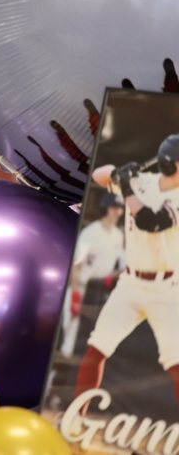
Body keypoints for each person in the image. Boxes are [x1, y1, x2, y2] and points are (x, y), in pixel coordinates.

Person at [75, 134, 179, 405]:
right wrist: (118, 172)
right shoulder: (141, 182)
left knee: (176, 364)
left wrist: (126, 186)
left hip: (167, 290)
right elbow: (97, 176)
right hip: (131, 285)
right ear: (171, 164)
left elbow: (150, 221)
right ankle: (75, 419)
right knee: (96, 350)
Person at [58, 192, 125, 356]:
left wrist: (113, 276)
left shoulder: (118, 236)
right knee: (67, 336)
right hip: (80, 286)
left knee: (90, 339)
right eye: (113, 207)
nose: (117, 212)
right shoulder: (91, 232)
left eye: (119, 208)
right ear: (106, 208)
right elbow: (76, 264)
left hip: (100, 290)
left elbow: (121, 266)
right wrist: (75, 295)